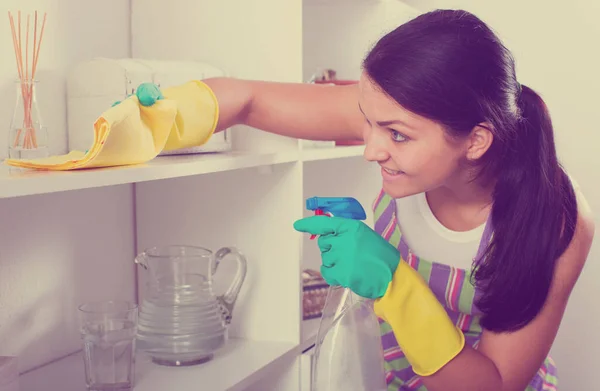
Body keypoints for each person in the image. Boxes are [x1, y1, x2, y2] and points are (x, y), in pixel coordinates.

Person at [199, 9, 595, 390]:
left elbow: (493, 385)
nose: (371, 149)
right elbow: (249, 100)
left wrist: (394, 284)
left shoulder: (557, 218)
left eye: (396, 135)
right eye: (366, 121)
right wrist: (185, 109)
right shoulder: (396, 111)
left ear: (475, 140)